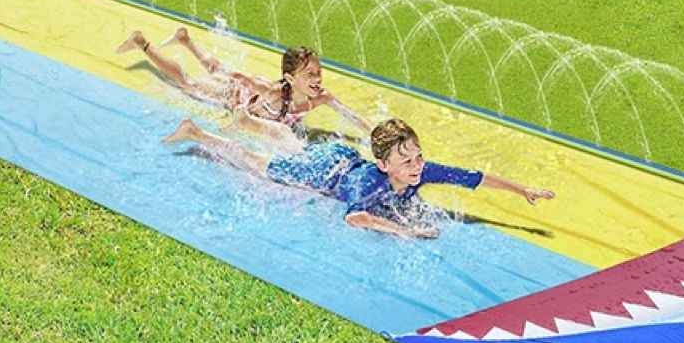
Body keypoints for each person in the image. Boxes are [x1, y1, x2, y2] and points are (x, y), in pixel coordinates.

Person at [163, 116, 555, 239]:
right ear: (384, 165)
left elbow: (474, 177)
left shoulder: (420, 171)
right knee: (257, 163)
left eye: (418, 156)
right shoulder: (370, 184)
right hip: (325, 172)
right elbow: (354, 217)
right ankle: (198, 133)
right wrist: (407, 232)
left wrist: (524, 191)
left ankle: (253, 121)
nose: (417, 166)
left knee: (293, 145)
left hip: (343, 156)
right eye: (407, 161)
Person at [117, 28, 372, 142]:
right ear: (290, 79)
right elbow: (242, 78)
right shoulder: (273, 91)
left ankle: (185, 39)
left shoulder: (322, 97)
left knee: (212, 69)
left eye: (318, 72)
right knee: (190, 84)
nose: (316, 79)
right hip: (237, 95)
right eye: (309, 74)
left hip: (248, 94)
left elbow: (351, 116)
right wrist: (226, 75)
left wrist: (374, 135)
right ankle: (143, 43)